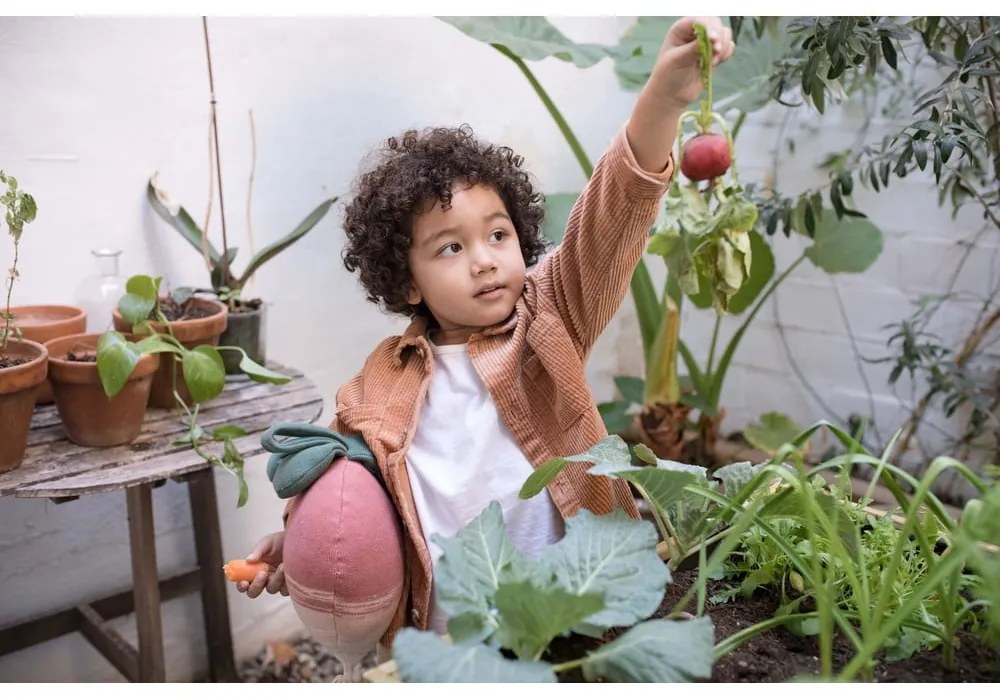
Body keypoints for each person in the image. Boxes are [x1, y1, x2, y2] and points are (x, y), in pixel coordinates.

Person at [236, 13, 735, 661]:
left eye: (497, 234)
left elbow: (614, 211)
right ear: (406, 279)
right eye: (450, 246)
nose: (483, 259)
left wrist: (663, 99)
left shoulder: (550, 316)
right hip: (452, 637)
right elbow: (359, 492)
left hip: (570, 620)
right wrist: (297, 540)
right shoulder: (377, 382)